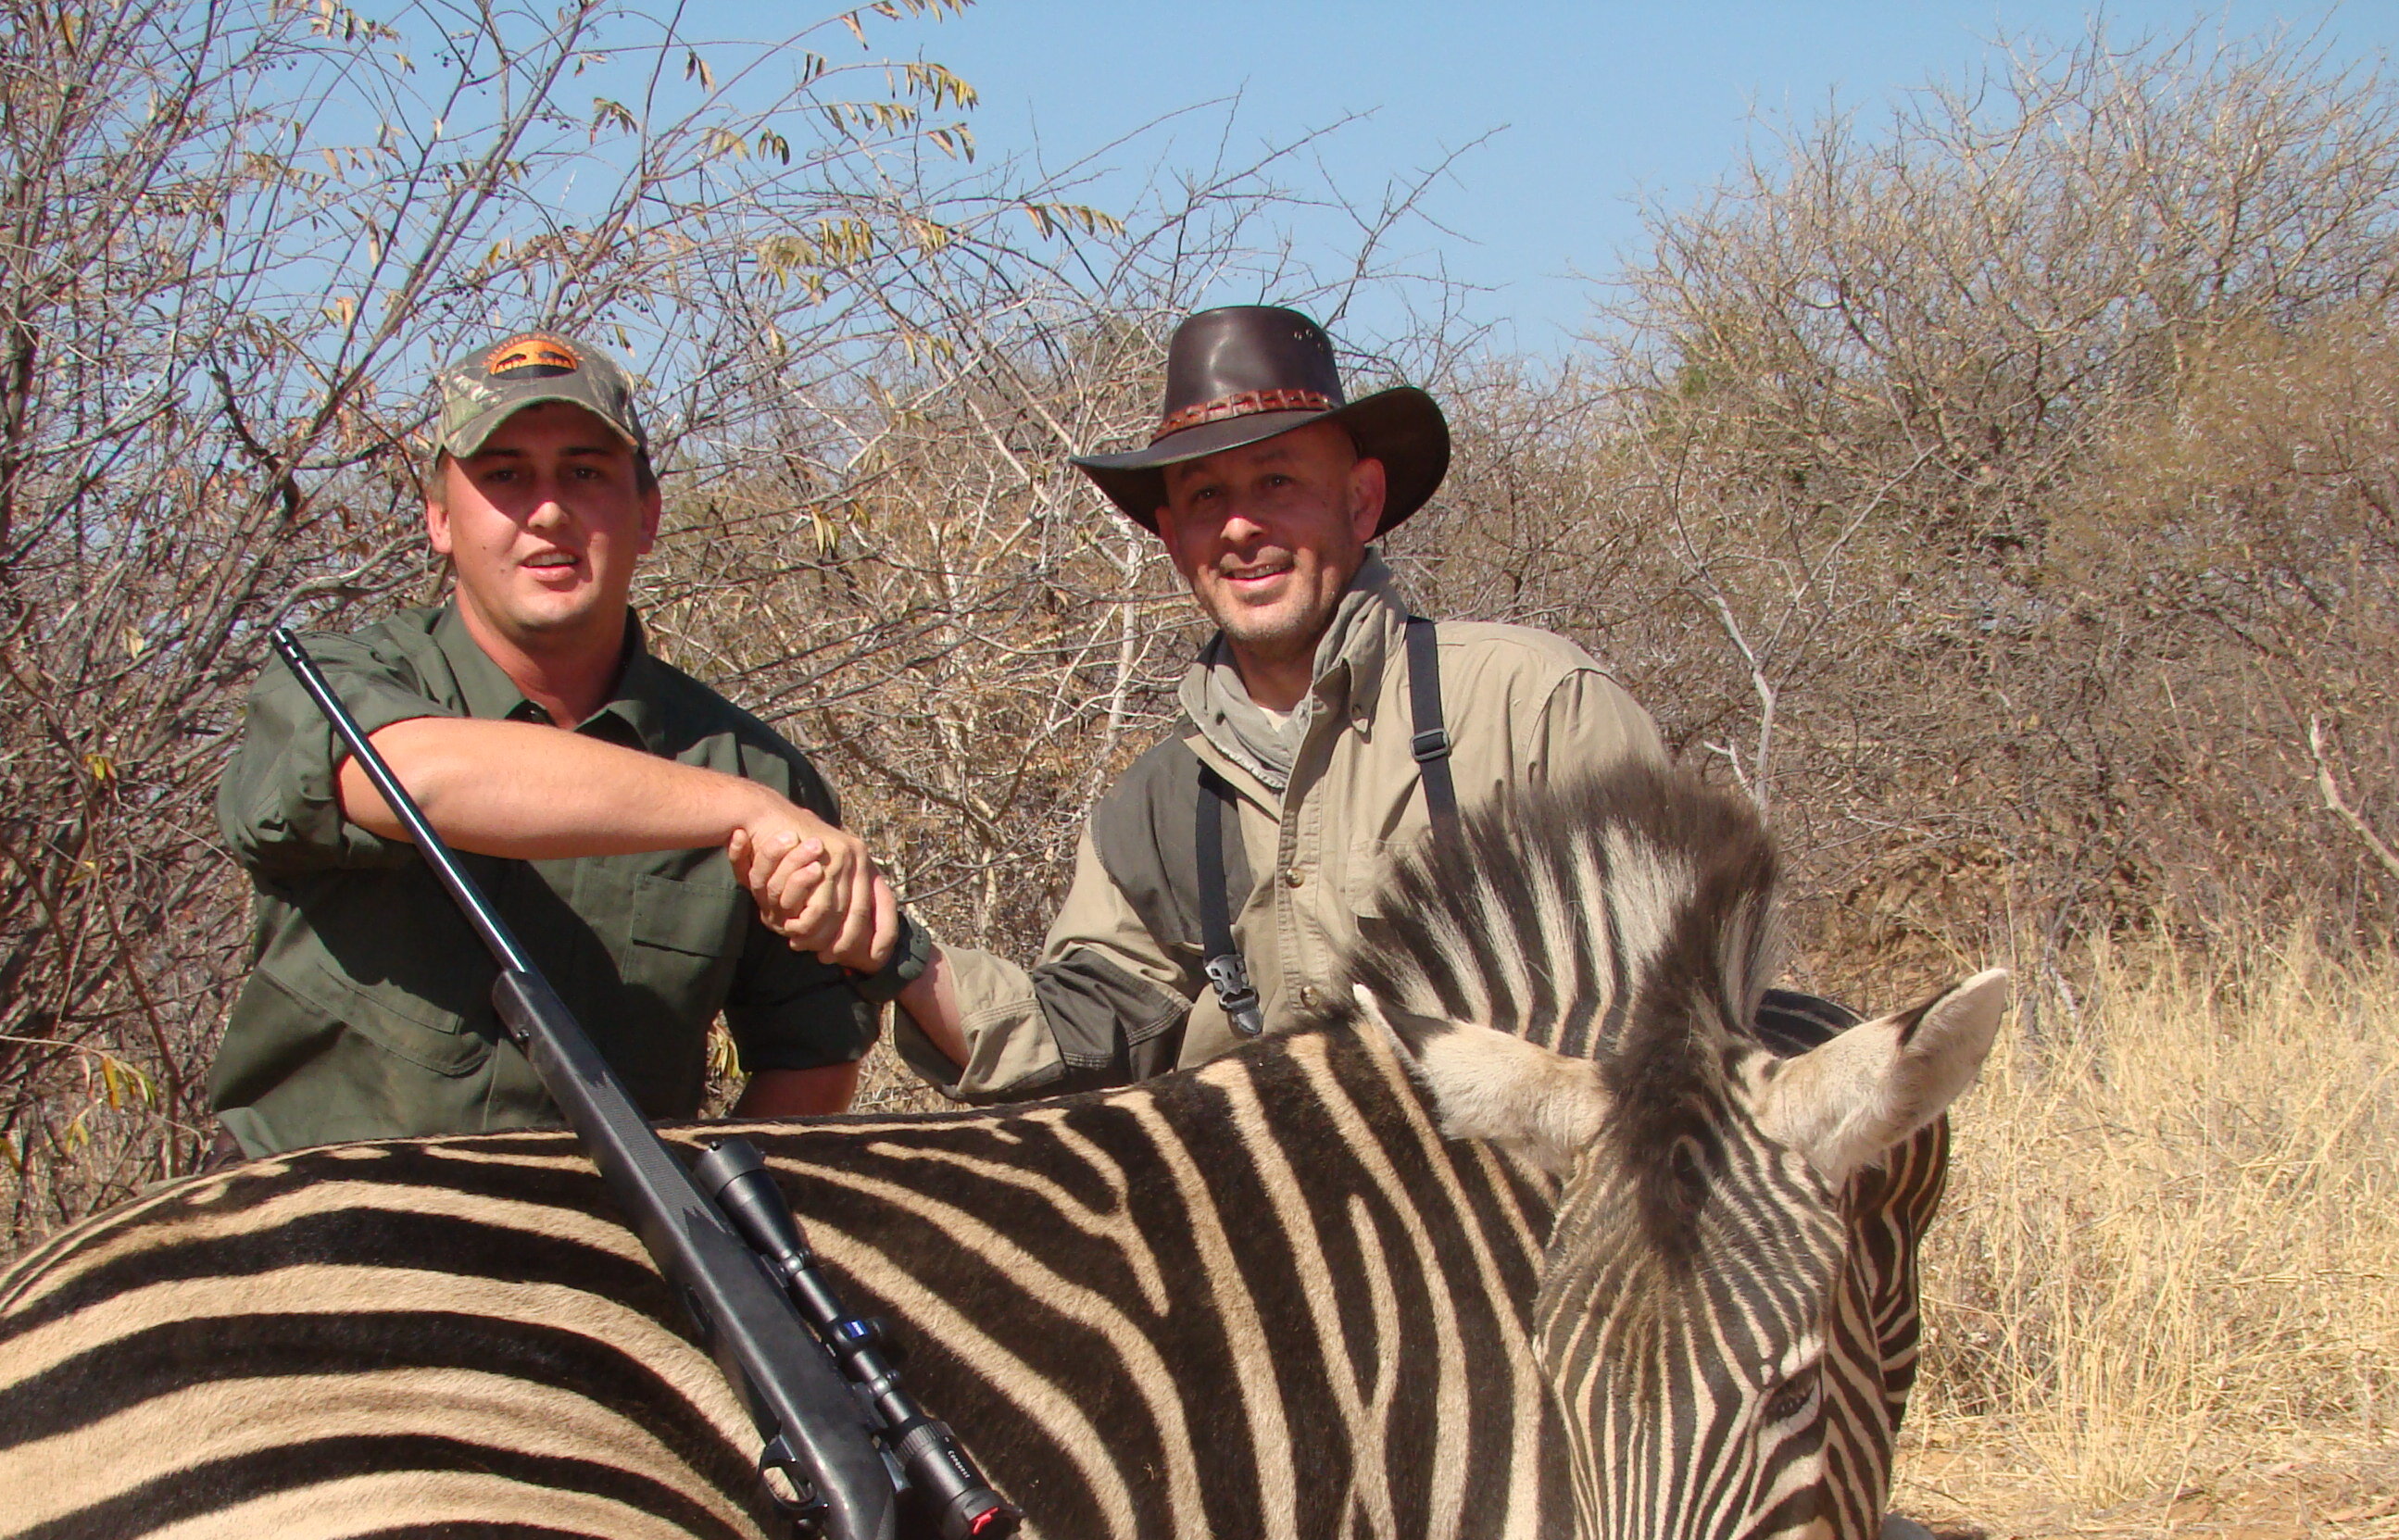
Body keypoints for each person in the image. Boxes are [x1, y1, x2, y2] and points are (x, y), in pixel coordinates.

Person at [887, 304, 1667, 1101]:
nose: (1237, 526)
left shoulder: (1531, 706)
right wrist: (890, 953)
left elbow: (1677, 1031)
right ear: (1172, 539)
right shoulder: (1158, 802)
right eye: (1203, 498)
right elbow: (1084, 1038)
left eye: (1277, 482)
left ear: (1361, 501)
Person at [208, 332, 926, 1155]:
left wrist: (705, 1215)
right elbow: (417, 779)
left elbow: (812, 1051)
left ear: (648, 515)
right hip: (311, 1229)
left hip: (591, 1261)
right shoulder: (340, 679)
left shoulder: (755, 763)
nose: (547, 510)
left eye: (584, 473)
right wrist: (742, 811)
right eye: (505, 476)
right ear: (440, 519)